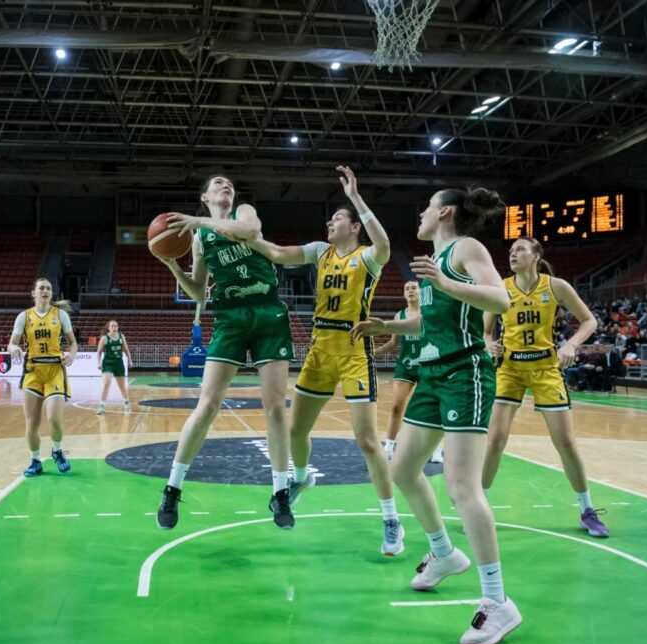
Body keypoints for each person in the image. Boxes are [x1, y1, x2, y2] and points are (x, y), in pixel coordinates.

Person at [353, 186, 521, 644]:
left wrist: (446, 284)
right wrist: (385, 326)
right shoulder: (431, 263)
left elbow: (499, 300)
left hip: (464, 372)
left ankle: (497, 602)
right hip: (431, 373)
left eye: (426, 206)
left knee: (462, 487)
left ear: (444, 211)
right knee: (402, 469)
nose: (421, 213)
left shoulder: (465, 249)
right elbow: (429, 323)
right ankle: (445, 553)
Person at [248, 165, 403, 554]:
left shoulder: (368, 257)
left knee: (367, 442)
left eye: (337, 219)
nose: (329, 223)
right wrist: (250, 239)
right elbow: (282, 254)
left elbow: (384, 245)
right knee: (295, 431)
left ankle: (391, 520)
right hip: (319, 349)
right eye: (331, 218)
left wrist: (355, 198)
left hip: (353, 351)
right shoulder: (321, 251)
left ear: (354, 227)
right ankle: (301, 477)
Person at [155, 175, 294, 529]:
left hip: (267, 311)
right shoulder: (200, 237)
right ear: (205, 196)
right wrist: (173, 265)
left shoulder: (243, 212)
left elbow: (250, 230)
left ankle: (280, 492)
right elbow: (200, 293)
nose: (225, 185)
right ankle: (172, 487)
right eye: (217, 183)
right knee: (207, 404)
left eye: (229, 183)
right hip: (229, 317)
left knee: (275, 407)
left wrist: (199, 220)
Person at [482, 238, 609, 538]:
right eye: (511, 250)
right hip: (510, 369)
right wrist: (489, 344)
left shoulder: (556, 286)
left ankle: (587, 510)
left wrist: (572, 344)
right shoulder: (501, 287)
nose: (513, 253)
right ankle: (480, 503)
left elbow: (589, 321)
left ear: (536, 256)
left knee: (565, 442)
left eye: (520, 249)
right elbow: (485, 330)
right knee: (495, 439)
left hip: (546, 368)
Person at [7, 278, 78, 476]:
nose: (45, 291)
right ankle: (35, 460)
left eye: (48, 288)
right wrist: (14, 348)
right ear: (34, 293)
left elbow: (73, 343)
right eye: (41, 288)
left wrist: (71, 354)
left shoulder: (60, 315)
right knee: (32, 422)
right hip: (32, 372)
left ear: (51, 294)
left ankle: (57, 450)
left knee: (54, 419)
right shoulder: (24, 316)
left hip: (55, 371)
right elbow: (12, 343)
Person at [375, 281, 440, 463]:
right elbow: (393, 343)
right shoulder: (400, 315)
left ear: (420, 292)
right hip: (406, 365)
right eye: (407, 288)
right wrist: (374, 353)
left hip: (428, 364)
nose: (410, 290)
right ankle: (389, 446)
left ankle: (435, 448)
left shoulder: (429, 313)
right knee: (397, 406)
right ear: (404, 294)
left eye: (413, 288)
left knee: (432, 409)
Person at [96, 319, 133, 414]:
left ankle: (127, 402)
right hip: (108, 363)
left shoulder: (121, 337)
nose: (114, 327)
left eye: (115, 326)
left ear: (118, 327)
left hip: (119, 363)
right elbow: (99, 352)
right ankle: (102, 406)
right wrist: (98, 362)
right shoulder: (104, 338)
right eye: (112, 326)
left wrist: (130, 360)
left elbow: (126, 350)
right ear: (108, 328)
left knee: (121, 386)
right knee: (106, 384)